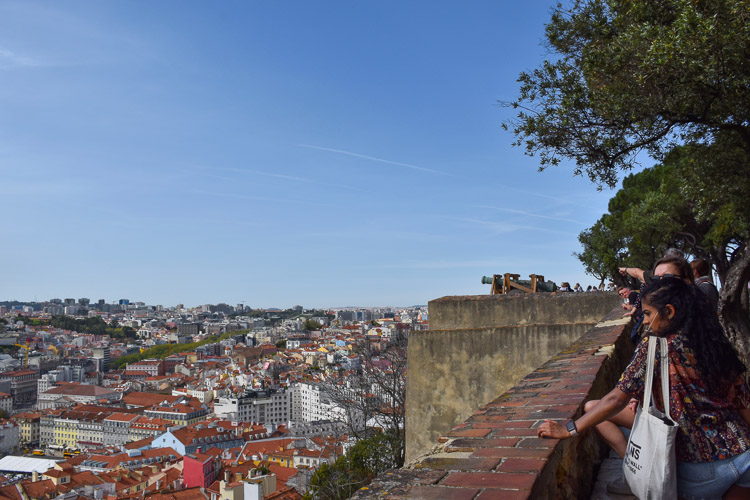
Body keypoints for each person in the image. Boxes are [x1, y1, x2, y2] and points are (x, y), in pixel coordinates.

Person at [537, 278, 750, 499]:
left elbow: (615, 400)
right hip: (744, 458)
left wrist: (569, 430)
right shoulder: (713, 342)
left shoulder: (656, 346)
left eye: (648, 313)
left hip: (701, 468)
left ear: (669, 312)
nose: (645, 322)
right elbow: (742, 401)